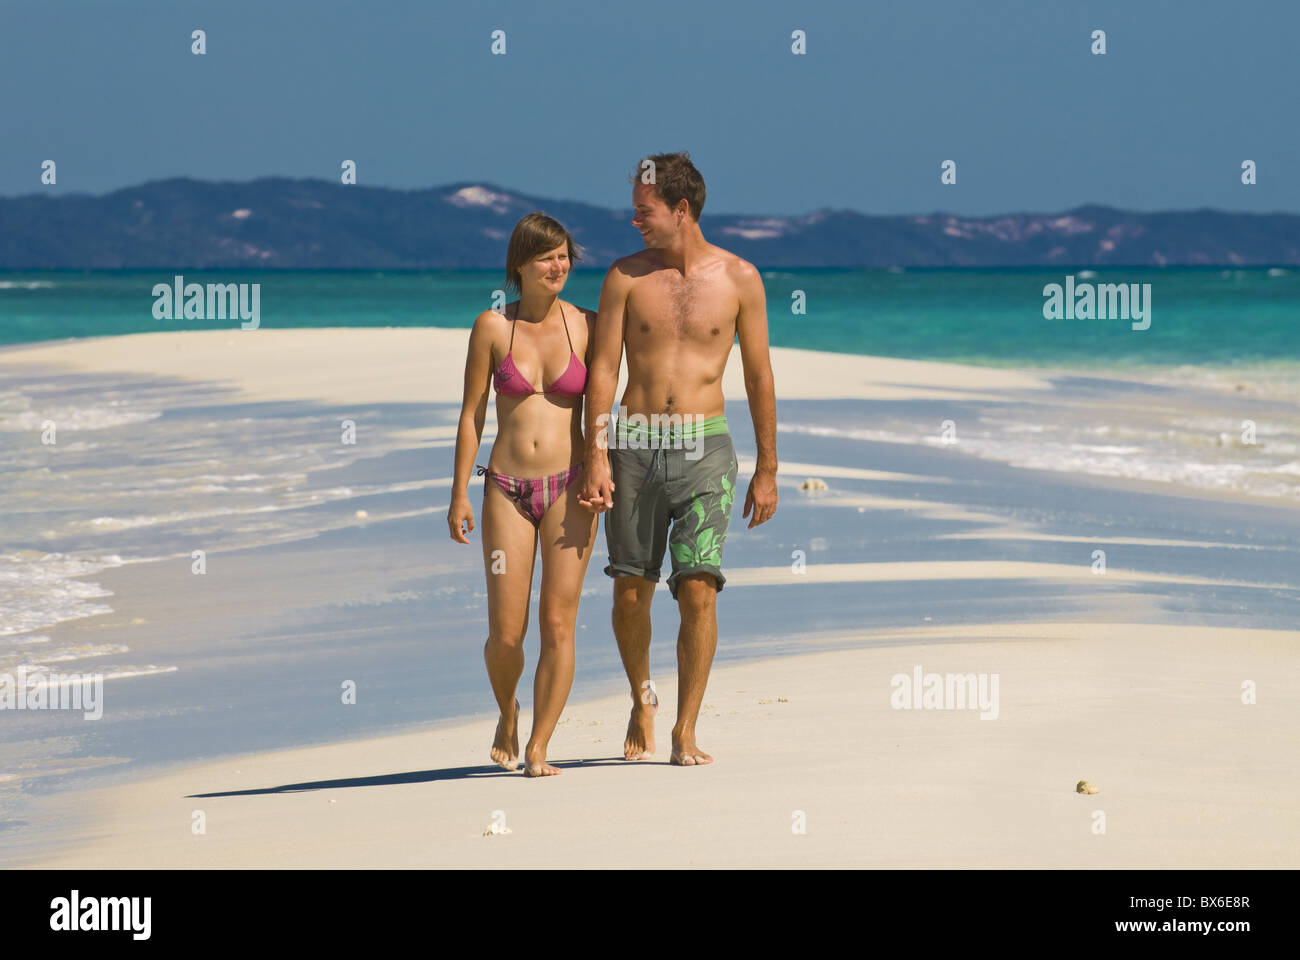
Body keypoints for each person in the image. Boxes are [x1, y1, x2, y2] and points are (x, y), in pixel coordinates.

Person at [578, 152, 779, 766]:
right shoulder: (625, 276)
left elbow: (758, 373)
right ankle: (643, 697)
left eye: (645, 212)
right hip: (633, 445)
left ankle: (685, 728)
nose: (634, 221)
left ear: (681, 210)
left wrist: (768, 466)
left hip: (706, 449)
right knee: (630, 594)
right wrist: (596, 452)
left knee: (698, 590)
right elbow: (605, 368)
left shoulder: (740, 278)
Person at [448, 212, 597, 777]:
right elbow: (471, 415)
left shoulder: (587, 324)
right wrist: (460, 491)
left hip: (571, 487)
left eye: (563, 255)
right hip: (505, 490)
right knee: (506, 635)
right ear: (519, 265)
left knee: (559, 624)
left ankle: (539, 743)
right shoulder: (492, 327)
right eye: (546, 257)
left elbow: (606, 402)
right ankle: (508, 710)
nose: (558, 265)